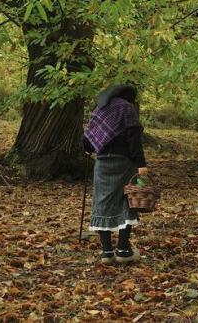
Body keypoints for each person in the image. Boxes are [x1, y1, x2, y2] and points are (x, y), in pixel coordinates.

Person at [83, 84, 147, 264]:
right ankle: (124, 250)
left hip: (102, 163)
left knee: (102, 203)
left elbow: (86, 142)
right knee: (126, 202)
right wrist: (141, 164)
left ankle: (106, 253)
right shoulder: (127, 109)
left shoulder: (99, 110)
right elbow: (134, 139)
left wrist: (91, 148)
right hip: (124, 162)